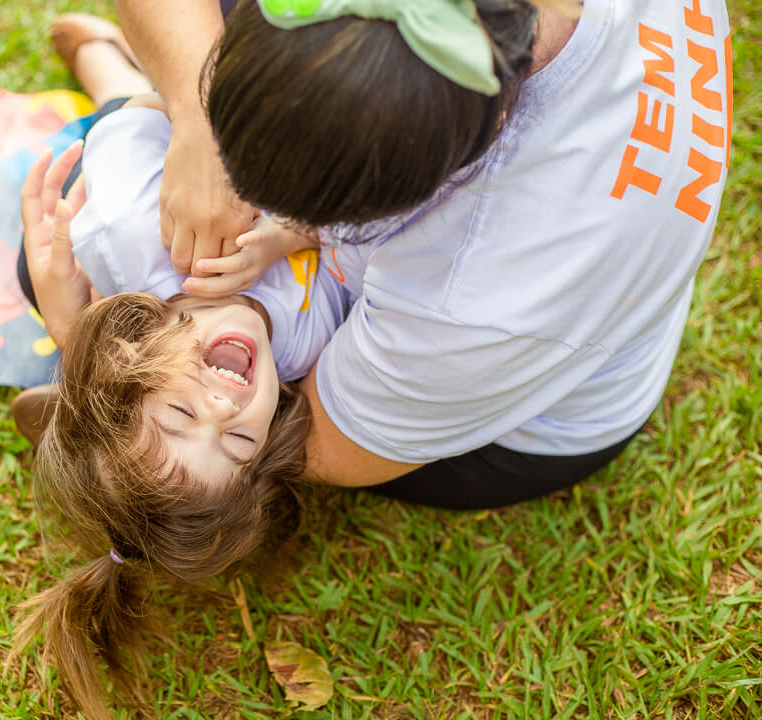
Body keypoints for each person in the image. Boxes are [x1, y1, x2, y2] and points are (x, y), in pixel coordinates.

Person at [114, 0, 733, 508]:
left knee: (75, 250)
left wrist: (102, 367)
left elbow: (321, 446)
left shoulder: (478, 296)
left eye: (337, 212)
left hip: (511, 426)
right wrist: (197, 122)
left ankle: (109, 75)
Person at [9, 26, 349, 717]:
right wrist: (292, 231)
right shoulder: (306, 341)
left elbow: (144, 115)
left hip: (161, 126)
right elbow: (369, 240)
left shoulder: (127, 231)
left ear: (127, 366)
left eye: (182, 415)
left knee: (119, 92)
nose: (225, 410)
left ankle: (100, 56)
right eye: (239, 442)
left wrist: (203, 141)